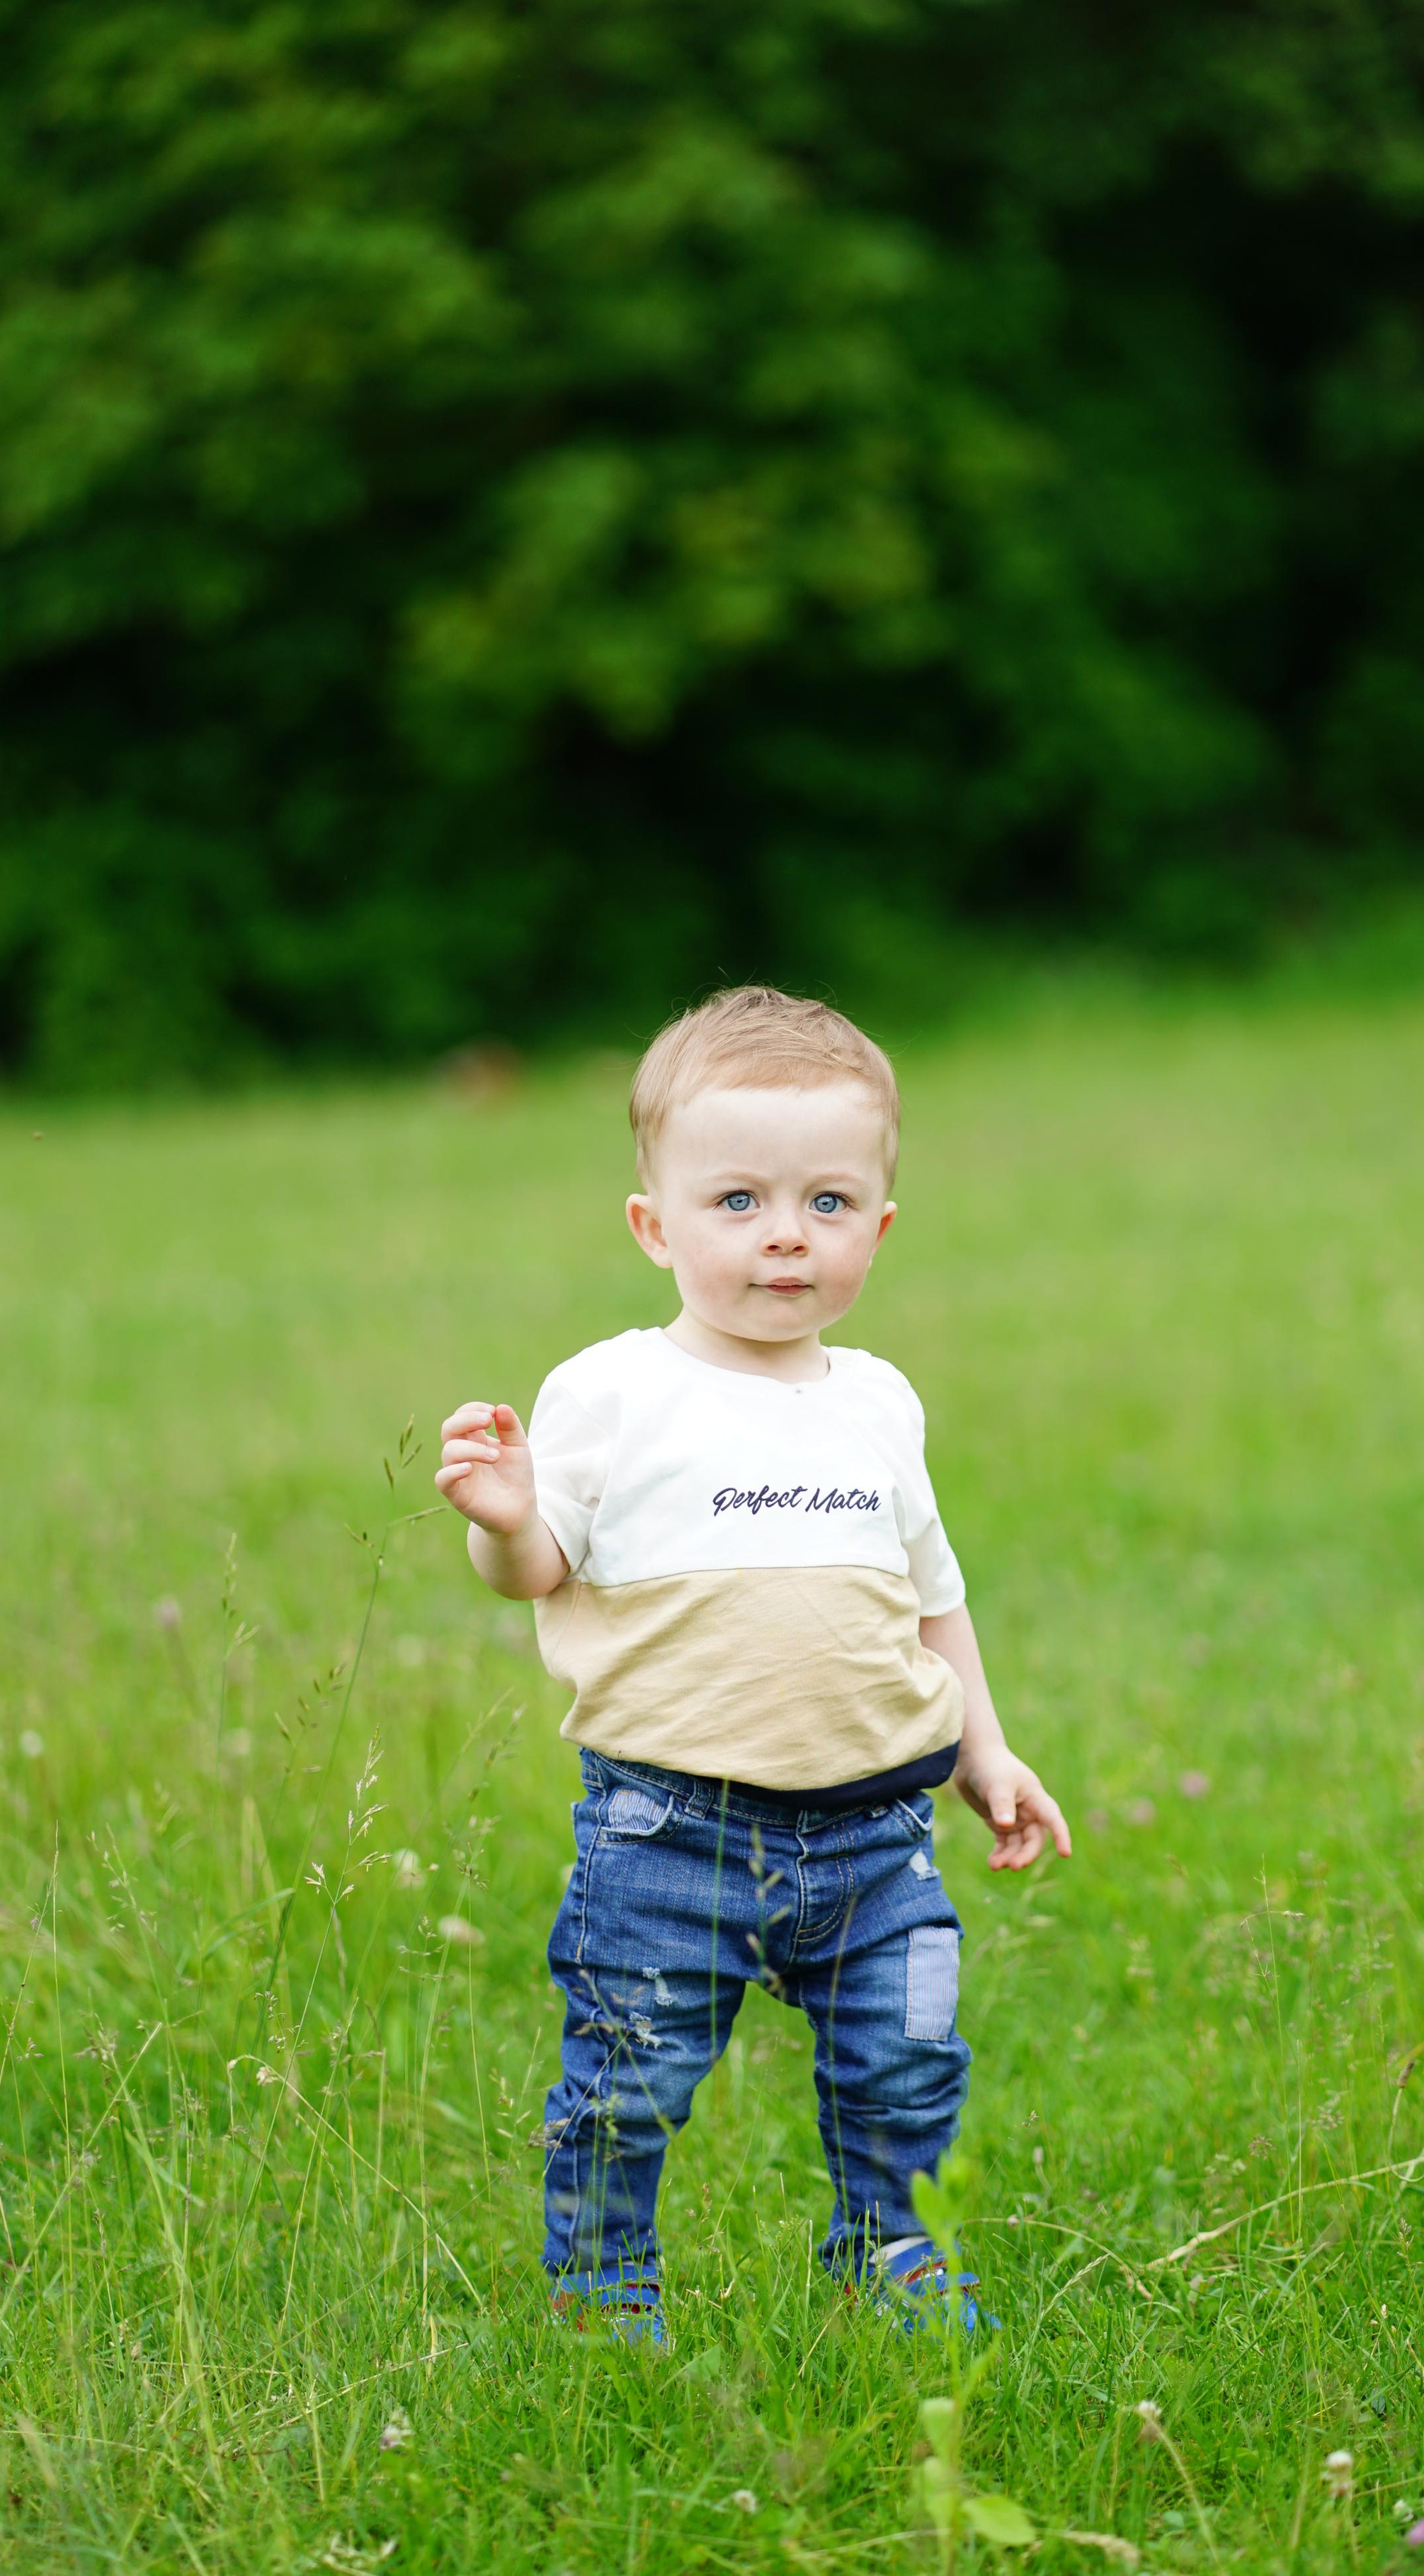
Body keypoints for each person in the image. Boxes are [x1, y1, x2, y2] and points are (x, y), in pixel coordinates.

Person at [435, 986, 1070, 2342]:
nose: (786, 1233)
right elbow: (541, 1566)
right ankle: (606, 2286)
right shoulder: (613, 1391)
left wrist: (987, 1753)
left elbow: (933, 1605)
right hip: (670, 1826)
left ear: (878, 1228)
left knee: (907, 2066)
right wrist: (504, 1523)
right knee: (627, 2074)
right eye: (737, 1201)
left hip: (877, 1827)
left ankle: (892, 2252)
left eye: (829, 1203)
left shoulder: (879, 1403)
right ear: (653, 1225)